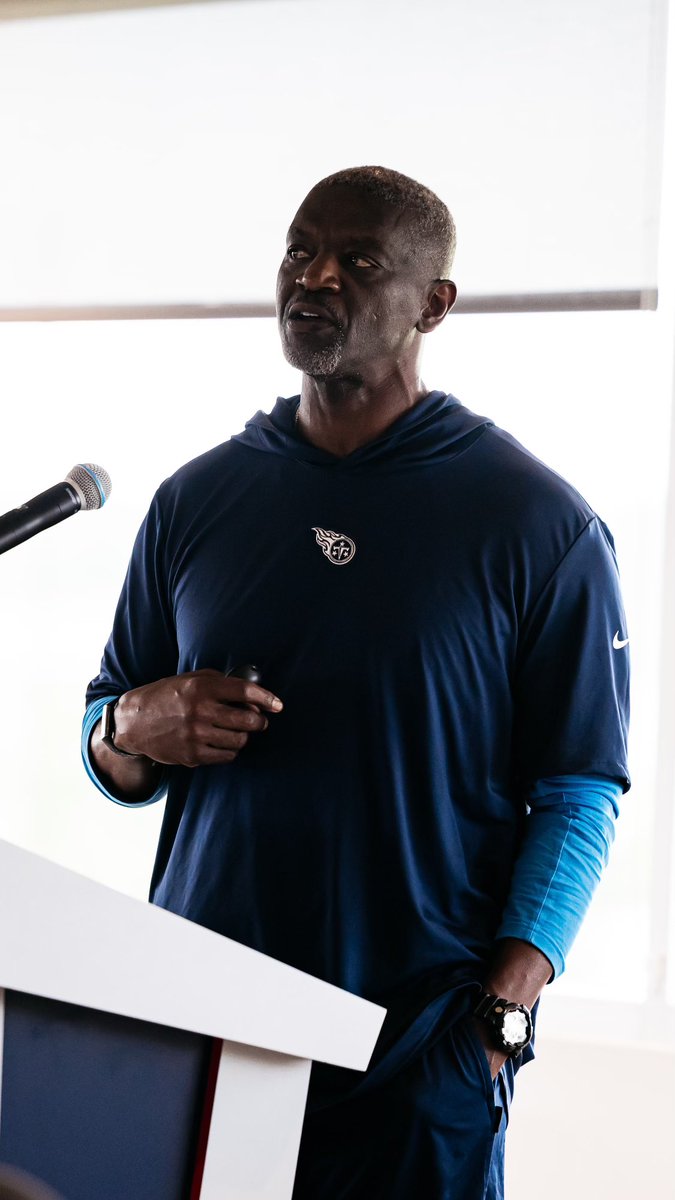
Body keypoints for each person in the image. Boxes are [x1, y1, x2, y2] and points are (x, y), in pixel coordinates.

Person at [83, 166, 630, 1199]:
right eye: (301, 250)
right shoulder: (195, 500)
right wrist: (131, 723)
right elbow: (109, 745)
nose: (317, 275)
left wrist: (504, 1013)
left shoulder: (537, 524)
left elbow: (580, 789)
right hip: (203, 1030)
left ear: (434, 304)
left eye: (360, 261)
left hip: (417, 1049)